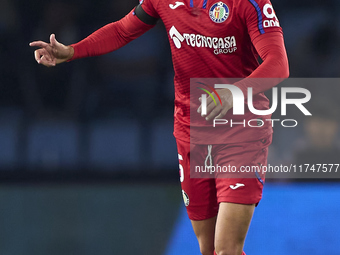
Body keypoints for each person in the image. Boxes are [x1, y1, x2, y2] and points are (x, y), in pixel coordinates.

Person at [30, 0, 289, 254]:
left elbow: (278, 64)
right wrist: (73, 51)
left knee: (227, 249)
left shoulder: (249, 2)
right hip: (191, 131)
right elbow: (122, 30)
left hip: (241, 132)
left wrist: (236, 91)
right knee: (208, 248)